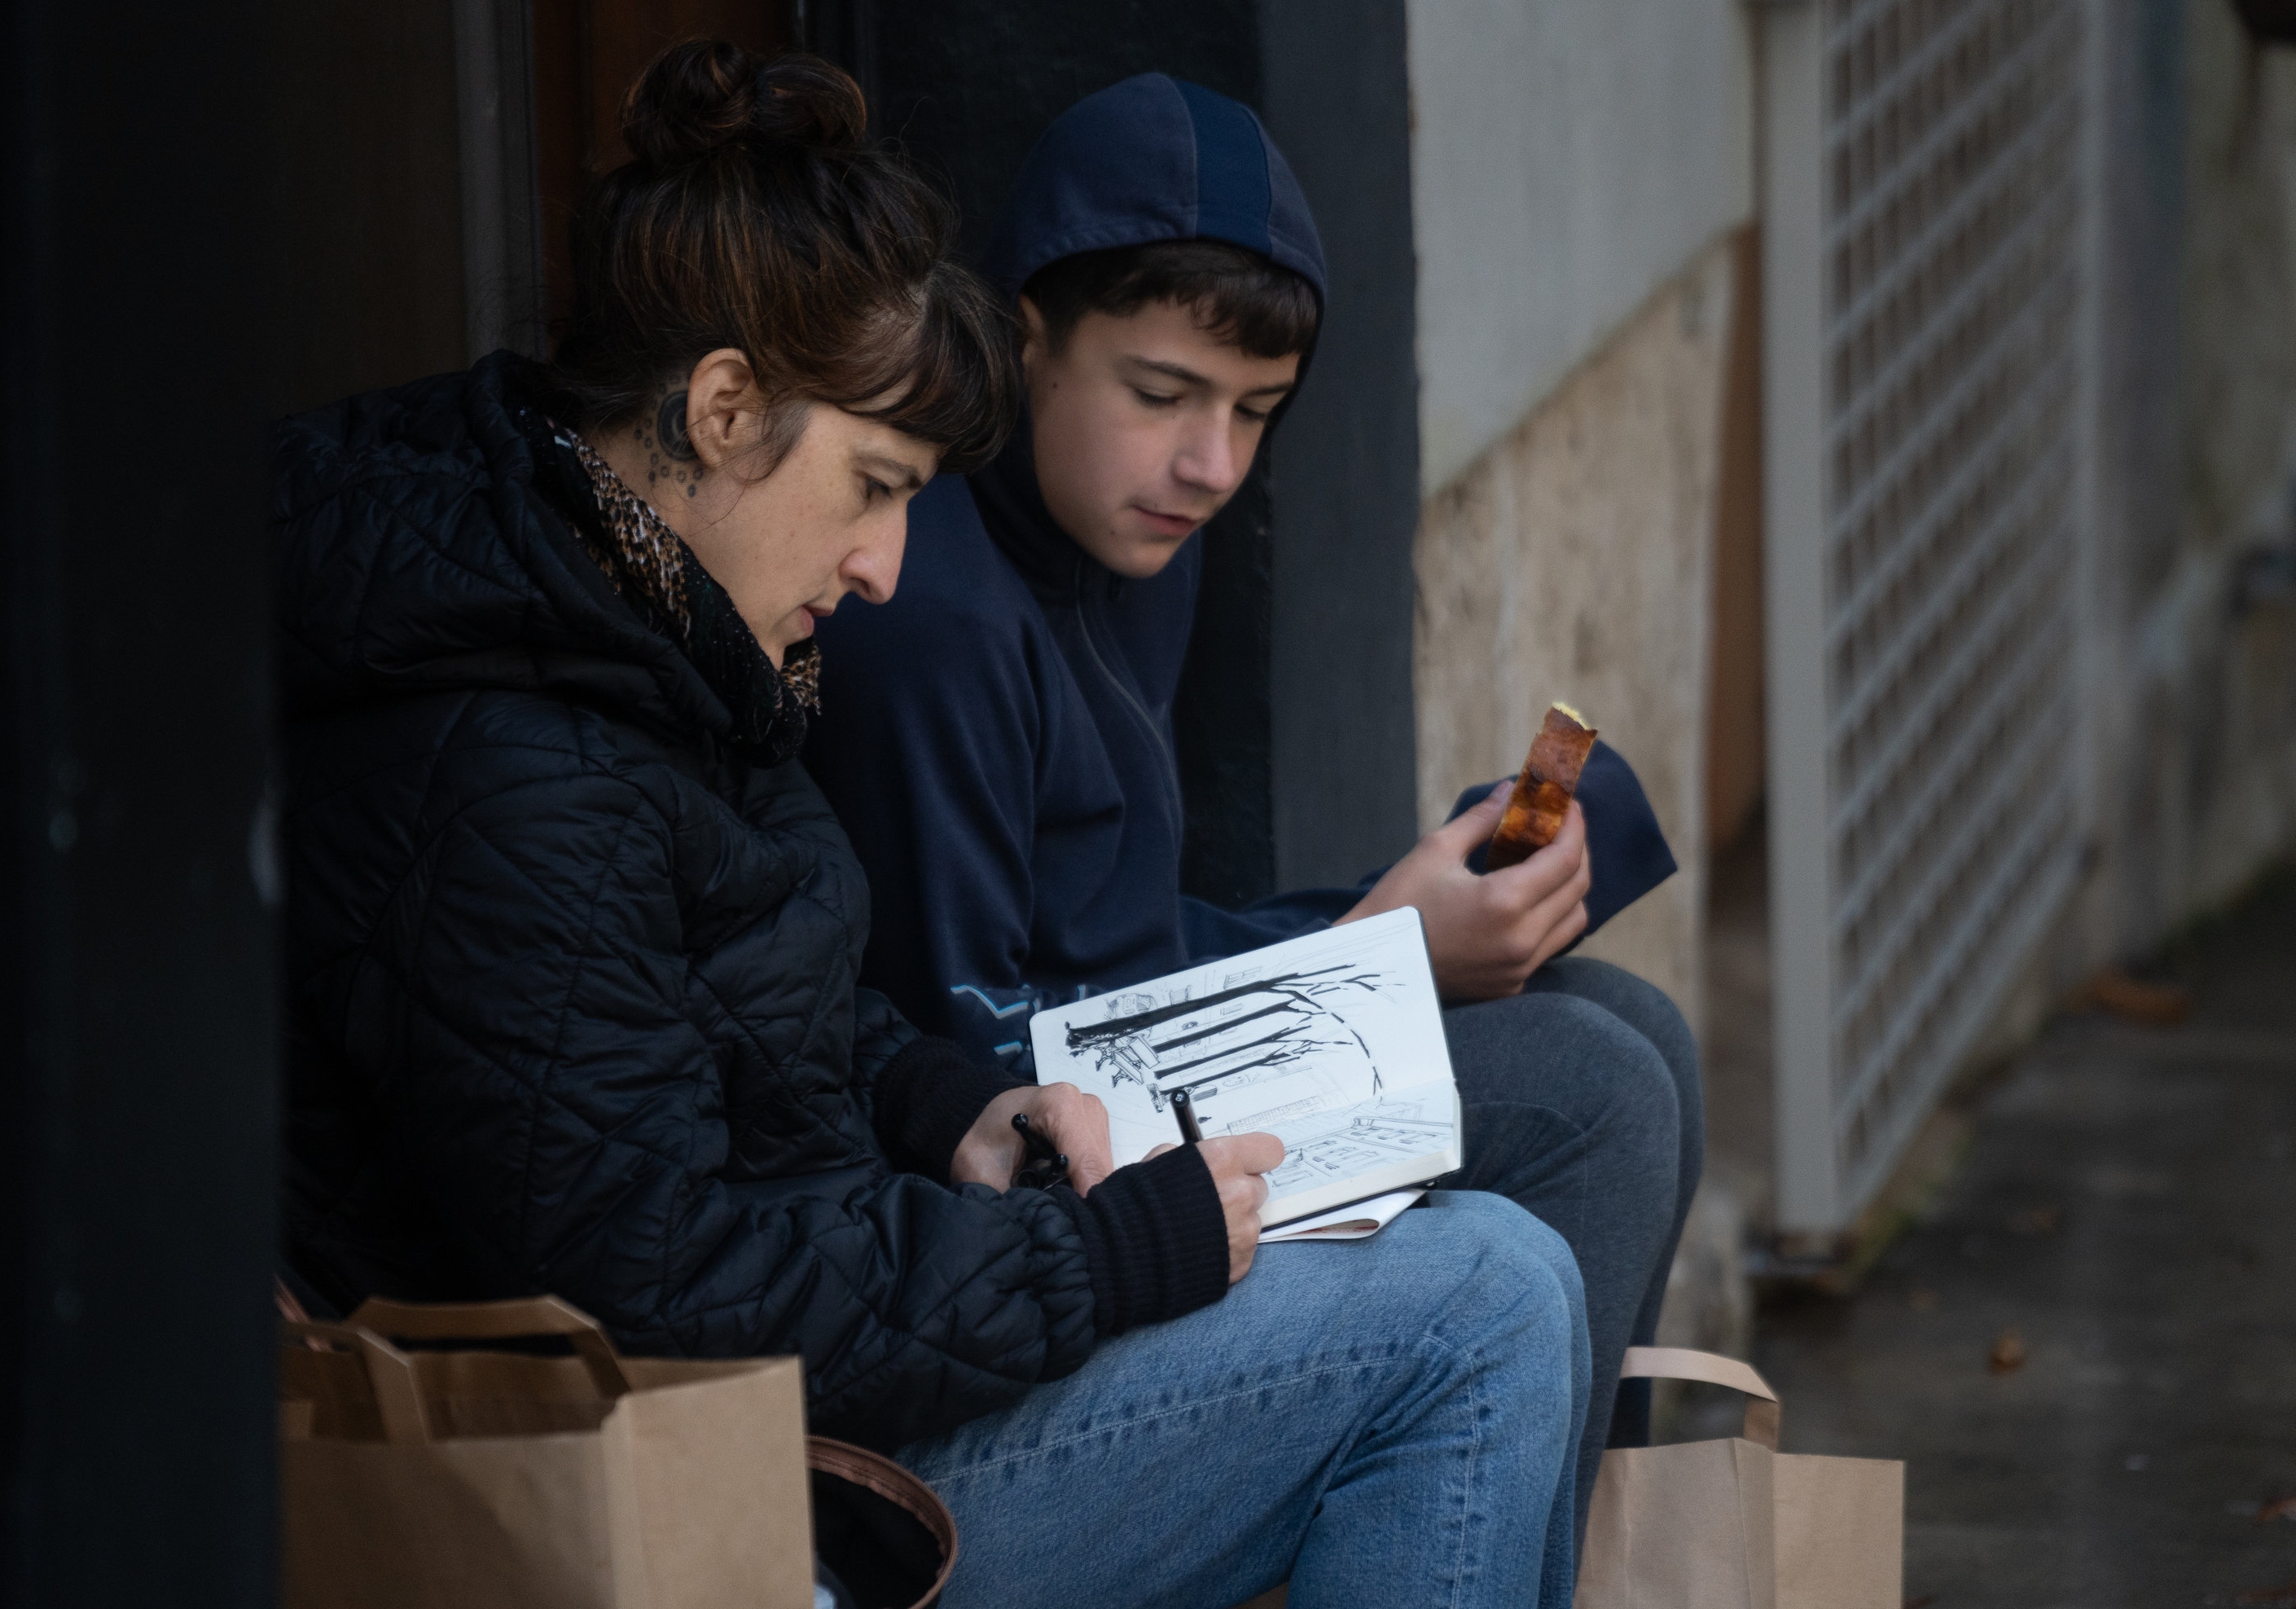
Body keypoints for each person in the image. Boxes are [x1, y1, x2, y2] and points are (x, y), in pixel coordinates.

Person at [276, 42, 1587, 1608]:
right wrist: (1091, 1262)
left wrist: (949, 1107)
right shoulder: (510, 767)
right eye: (876, 486)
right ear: (721, 408)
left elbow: (742, 1021)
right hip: (742, 1495)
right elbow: (659, 1298)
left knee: (1508, 1234)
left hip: (835, 1364)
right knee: (1484, 1297)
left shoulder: (637, 607)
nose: (889, 565)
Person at [803, 72, 1705, 1507]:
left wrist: (1397, 930)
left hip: (1153, 1047)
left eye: (1258, 410)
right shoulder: (931, 618)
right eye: (1161, 394)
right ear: (1026, 338)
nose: (1210, 464)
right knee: (1595, 1089)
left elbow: (1128, 933)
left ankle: (1540, 1550)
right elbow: (958, 1058)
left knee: (1634, 1023)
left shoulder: (1143, 525)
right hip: (1034, 1184)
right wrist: (1369, 960)